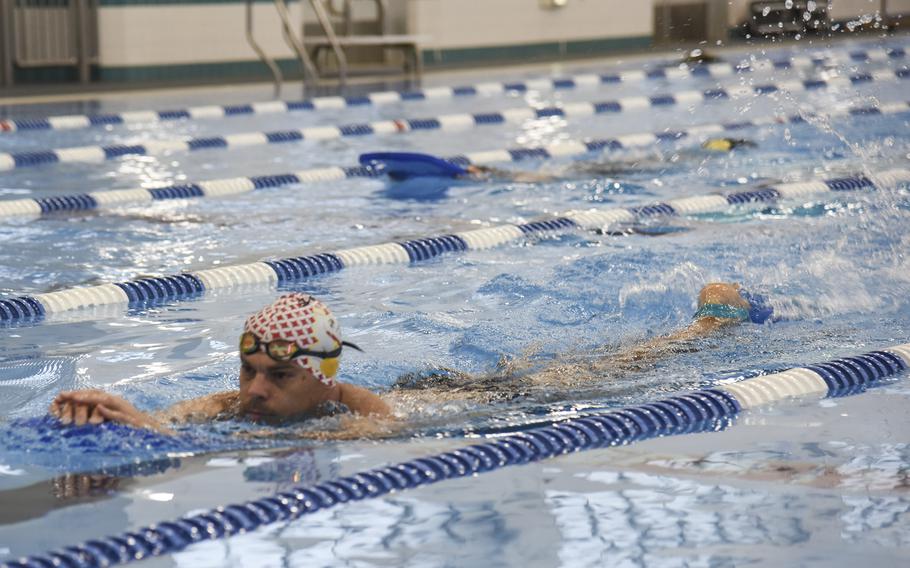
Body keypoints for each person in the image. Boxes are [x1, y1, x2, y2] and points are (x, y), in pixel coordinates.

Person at [49, 284, 773, 435]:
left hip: (504, 400)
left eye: (276, 374)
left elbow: (382, 426)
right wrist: (131, 415)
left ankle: (709, 324)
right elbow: (174, 418)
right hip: (444, 382)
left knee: (619, 365)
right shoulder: (239, 401)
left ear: (321, 375)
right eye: (247, 371)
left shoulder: (352, 400)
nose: (254, 389)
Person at [360, 138, 757, 197]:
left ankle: (714, 147)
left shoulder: (492, 177)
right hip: (578, 174)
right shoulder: (488, 175)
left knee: (639, 168)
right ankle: (712, 146)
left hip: (581, 177)